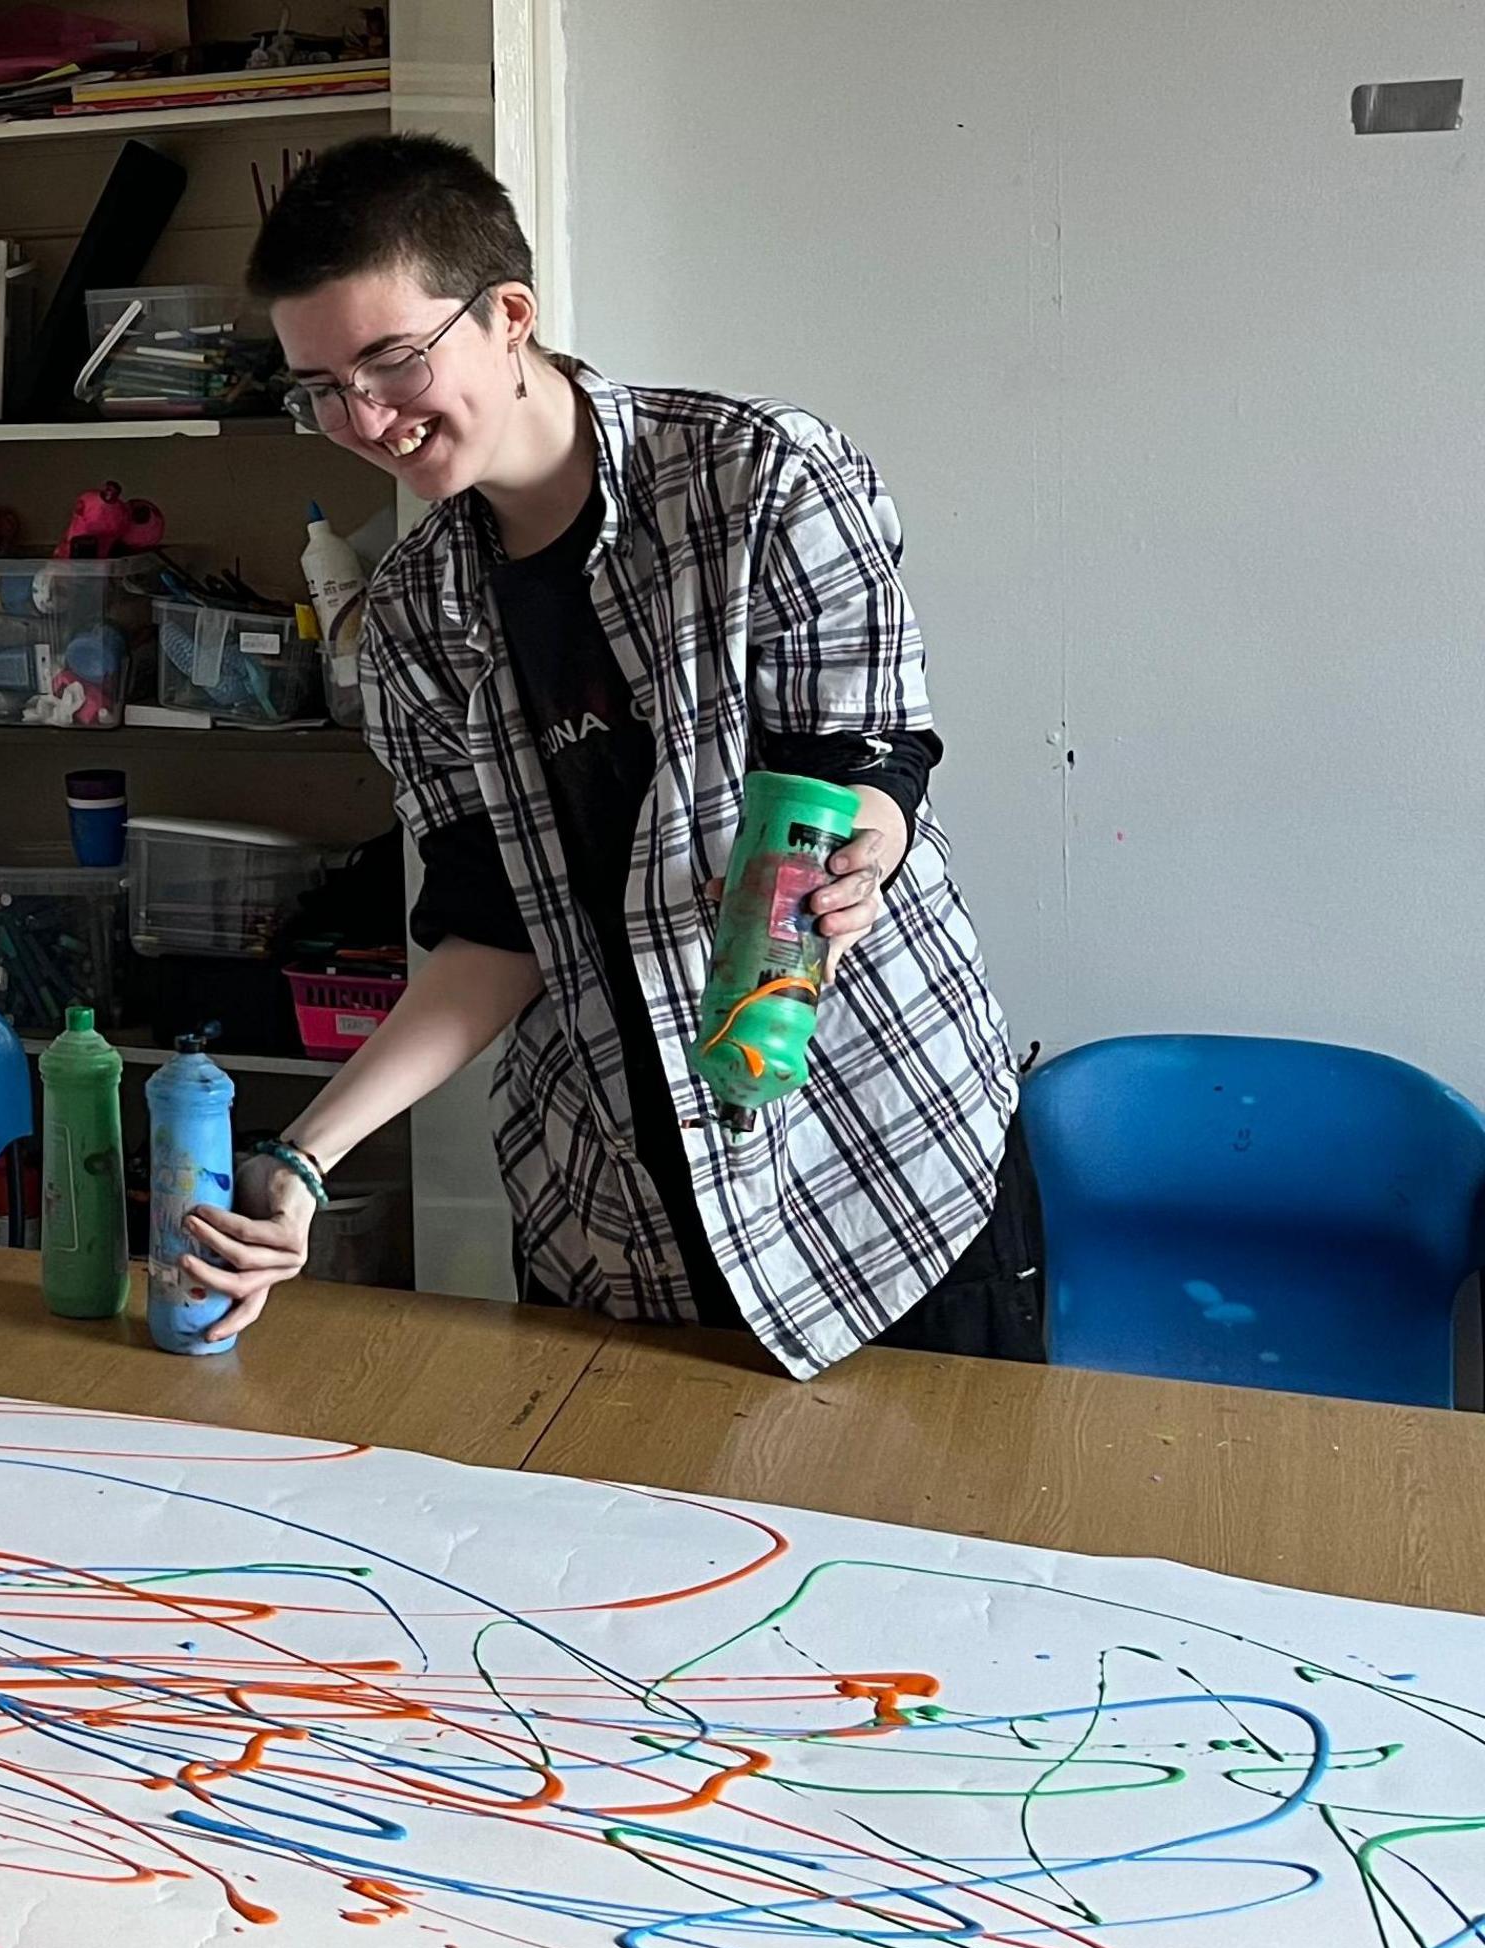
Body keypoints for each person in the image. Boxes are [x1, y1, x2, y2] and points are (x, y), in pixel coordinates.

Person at [181, 135, 1036, 1376]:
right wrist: (304, 1161)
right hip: (610, 1213)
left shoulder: (761, 482)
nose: (363, 420)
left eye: (391, 359)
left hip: (872, 1171)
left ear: (509, 315)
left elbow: (860, 762)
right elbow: (490, 936)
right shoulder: (418, 613)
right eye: (319, 386)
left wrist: (874, 834)